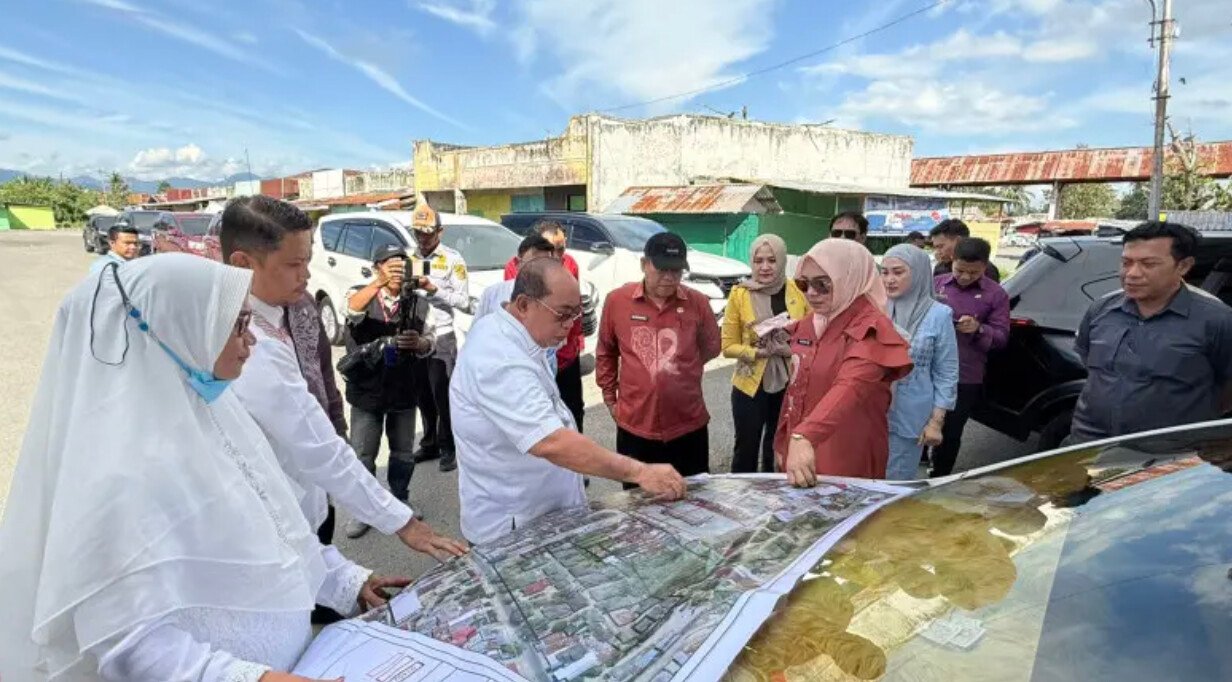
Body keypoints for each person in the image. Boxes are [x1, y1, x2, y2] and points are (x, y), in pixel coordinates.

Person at [0, 254, 405, 682]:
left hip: (302, 661)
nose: (251, 340)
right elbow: (129, 643)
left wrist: (345, 581)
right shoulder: (114, 478)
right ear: (178, 331)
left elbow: (278, 533)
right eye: (235, 326)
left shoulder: (214, 417)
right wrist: (257, 679)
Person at [221, 196, 466, 561]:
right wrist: (403, 524)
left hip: (388, 403)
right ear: (243, 263)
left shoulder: (289, 308)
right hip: (274, 513)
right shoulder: (246, 342)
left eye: (307, 260)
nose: (306, 275)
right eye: (294, 263)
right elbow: (318, 447)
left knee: (398, 453)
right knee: (361, 454)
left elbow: (319, 368)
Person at [452, 258, 687, 545]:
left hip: (541, 516)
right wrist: (640, 472)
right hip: (514, 529)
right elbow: (551, 441)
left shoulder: (513, 329)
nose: (569, 326)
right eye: (562, 315)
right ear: (524, 305)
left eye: (576, 315)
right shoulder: (498, 358)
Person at [1069, 221, 1232, 444]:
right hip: (1091, 442)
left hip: (1170, 455)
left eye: (1148, 264)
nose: (1132, 274)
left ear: (1183, 266)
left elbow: (1227, 391)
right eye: (1126, 263)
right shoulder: (1101, 310)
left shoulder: (1217, 319)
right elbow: (1091, 365)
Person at [775, 239, 913, 487]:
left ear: (849, 278)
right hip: (801, 449)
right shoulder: (813, 321)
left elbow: (851, 385)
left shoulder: (871, 327)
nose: (811, 293)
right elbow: (796, 387)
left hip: (847, 450)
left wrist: (804, 436)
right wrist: (784, 438)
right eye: (803, 284)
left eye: (823, 284)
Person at [597, 232, 722, 486]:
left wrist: (680, 370)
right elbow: (606, 352)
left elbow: (711, 347)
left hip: (688, 427)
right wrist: (611, 400)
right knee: (638, 504)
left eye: (676, 271)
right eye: (662, 268)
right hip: (635, 427)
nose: (669, 277)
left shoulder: (697, 303)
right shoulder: (617, 302)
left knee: (693, 498)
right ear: (644, 264)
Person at [339, 244, 435, 539]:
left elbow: (431, 339)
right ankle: (363, 510)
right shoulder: (362, 292)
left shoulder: (418, 302)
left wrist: (420, 344)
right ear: (376, 266)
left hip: (403, 387)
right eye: (389, 263)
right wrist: (379, 282)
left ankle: (399, 499)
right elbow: (351, 309)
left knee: (403, 451)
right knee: (363, 453)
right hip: (367, 388)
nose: (396, 268)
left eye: (401, 263)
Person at [721, 234, 807, 474]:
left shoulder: (798, 291)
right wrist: (757, 352)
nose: (765, 267)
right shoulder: (740, 294)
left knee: (778, 446)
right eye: (759, 261)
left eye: (772, 260)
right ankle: (741, 504)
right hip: (749, 384)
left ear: (781, 260)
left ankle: (776, 502)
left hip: (788, 382)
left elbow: (810, 339)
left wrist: (787, 350)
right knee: (746, 448)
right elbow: (728, 346)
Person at [931, 237, 1010, 477]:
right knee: (914, 424)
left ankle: (941, 477)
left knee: (951, 431)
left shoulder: (996, 295)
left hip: (965, 373)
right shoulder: (936, 285)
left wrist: (979, 329)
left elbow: (1002, 337)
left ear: (985, 267)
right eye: (960, 270)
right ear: (952, 261)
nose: (965, 277)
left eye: (973, 273)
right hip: (927, 369)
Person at [881, 243, 959, 480]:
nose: (889, 280)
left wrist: (936, 422)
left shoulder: (939, 315)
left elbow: (946, 371)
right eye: (884, 272)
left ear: (919, 273)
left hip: (910, 415)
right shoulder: (877, 308)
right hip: (872, 412)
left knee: (895, 482)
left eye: (898, 272)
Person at [503, 220, 588, 432]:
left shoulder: (570, 264)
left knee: (572, 409)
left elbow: (572, 308)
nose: (558, 256)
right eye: (552, 250)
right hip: (535, 355)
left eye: (562, 249)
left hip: (567, 354)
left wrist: (574, 342)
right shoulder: (517, 269)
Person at [407, 203, 470, 472]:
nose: (422, 238)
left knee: (443, 394)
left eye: (427, 233)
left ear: (440, 232)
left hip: (443, 336)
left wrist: (433, 290)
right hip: (416, 335)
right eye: (417, 233)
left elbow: (464, 301)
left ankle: (449, 447)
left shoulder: (452, 260)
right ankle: (429, 442)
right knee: (422, 394)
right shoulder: (411, 258)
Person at [476, 234, 557, 320]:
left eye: (546, 264)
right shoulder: (493, 294)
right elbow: (476, 330)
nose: (540, 271)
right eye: (534, 264)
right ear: (517, 263)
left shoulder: (554, 300)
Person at [930, 218, 1002, 282]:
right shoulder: (941, 268)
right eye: (935, 248)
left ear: (958, 241)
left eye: (940, 246)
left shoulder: (986, 270)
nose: (937, 252)